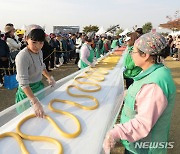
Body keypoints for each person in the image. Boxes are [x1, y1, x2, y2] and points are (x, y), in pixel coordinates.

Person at [103, 32, 176, 154]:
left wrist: (115, 133)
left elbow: (143, 123)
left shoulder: (154, 85)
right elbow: (143, 96)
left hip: (144, 148)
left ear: (146, 55)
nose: (131, 55)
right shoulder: (154, 72)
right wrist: (127, 94)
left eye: (134, 52)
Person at [15, 25, 56, 118]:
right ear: (26, 39)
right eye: (34, 42)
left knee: (41, 116)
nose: (37, 46)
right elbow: (23, 83)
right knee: (27, 117)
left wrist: (49, 77)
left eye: (41, 43)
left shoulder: (39, 52)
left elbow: (42, 66)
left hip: (38, 87)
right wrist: (34, 101)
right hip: (27, 92)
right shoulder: (22, 56)